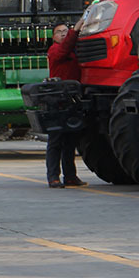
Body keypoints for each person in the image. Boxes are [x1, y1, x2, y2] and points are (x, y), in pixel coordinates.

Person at [45, 18, 88, 188]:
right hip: (58, 99)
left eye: (65, 31)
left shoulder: (73, 52)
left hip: (73, 99)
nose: (63, 34)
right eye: (59, 32)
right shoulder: (55, 51)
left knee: (71, 140)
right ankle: (53, 176)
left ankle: (70, 176)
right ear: (53, 37)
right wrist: (75, 30)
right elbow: (64, 50)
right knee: (56, 140)